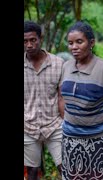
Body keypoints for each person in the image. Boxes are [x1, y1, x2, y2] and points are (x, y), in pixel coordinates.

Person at [60, 21, 103, 179]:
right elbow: (63, 97)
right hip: (70, 139)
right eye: (70, 43)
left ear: (91, 43)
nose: (74, 47)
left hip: (98, 140)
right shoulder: (66, 67)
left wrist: (98, 112)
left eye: (79, 42)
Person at [24, 21, 64, 179]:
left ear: (41, 38)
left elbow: (62, 97)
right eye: (25, 41)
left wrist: (66, 122)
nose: (29, 45)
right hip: (28, 127)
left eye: (33, 40)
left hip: (54, 126)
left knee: (65, 168)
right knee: (32, 171)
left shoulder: (58, 64)